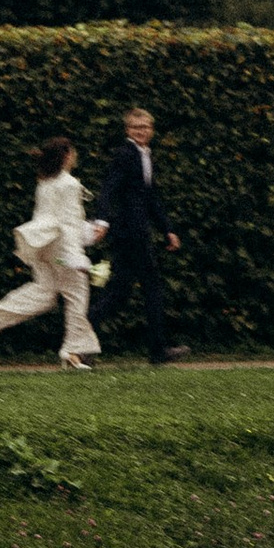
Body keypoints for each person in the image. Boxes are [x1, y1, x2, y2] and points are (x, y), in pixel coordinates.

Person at [0, 137, 105, 371]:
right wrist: (77, 255)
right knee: (76, 297)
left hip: (41, 244)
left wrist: (85, 234)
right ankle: (73, 351)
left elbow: (50, 217)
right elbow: (68, 222)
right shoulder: (69, 183)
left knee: (44, 293)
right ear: (66, 155)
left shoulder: (45, 182)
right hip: (61, 247)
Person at [98, 102, 188, 363]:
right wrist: (102, 220)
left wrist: (167, 229)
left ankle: (79, 344)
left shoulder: (144, 155)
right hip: (129, 234)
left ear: (152, 130)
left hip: (137, 233)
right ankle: (158, 351)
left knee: (120, 292)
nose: (141, 131)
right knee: (148, 288)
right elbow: (108, 189)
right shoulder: (125, 154)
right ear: (128, 130)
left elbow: (150, 198)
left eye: (145, 127)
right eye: (136, 127)